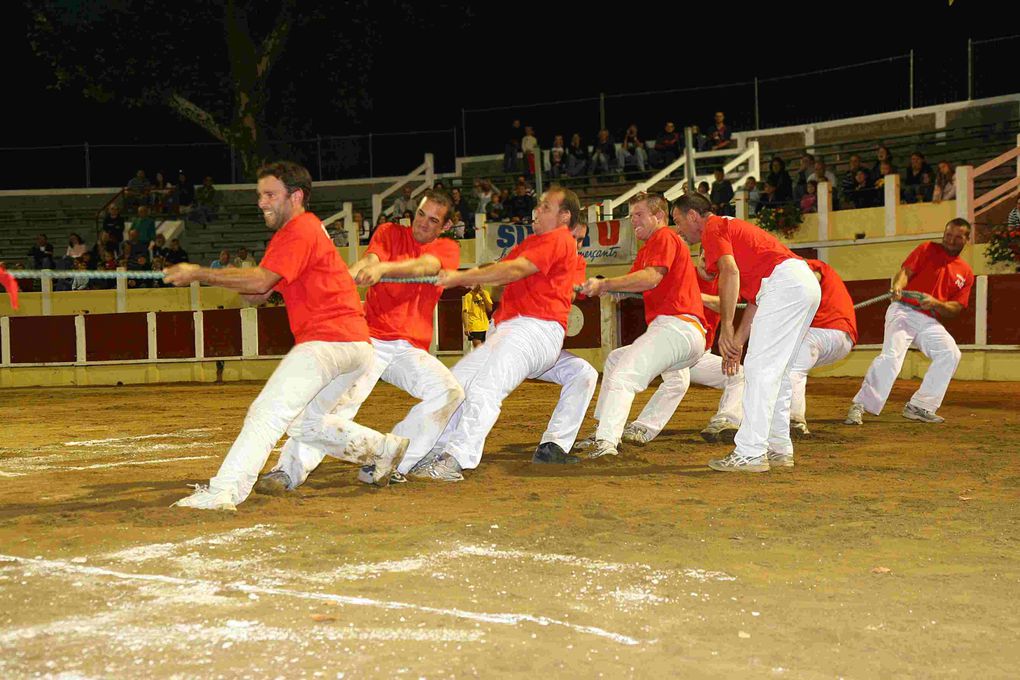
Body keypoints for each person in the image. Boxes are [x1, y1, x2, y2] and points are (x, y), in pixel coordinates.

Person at [164, 160, 407, 510]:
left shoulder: (297, 230)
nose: (261, 202)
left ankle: (225, 492)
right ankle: (382, 449)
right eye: (260, 195)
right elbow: (260, 292)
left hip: (328, 341)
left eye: (269, 194)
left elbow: (261, 282)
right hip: (354, 345)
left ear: (295, 196)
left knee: (267, 412)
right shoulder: (304, 231)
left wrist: (201, 272)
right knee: (305, 425)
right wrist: (250, 284)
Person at [254, 188, 465, 491]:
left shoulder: (448, 249)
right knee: (338, 405)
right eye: (420, 214)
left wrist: (383, 269)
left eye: (433, 220)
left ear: (444, 227)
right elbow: (369, 261)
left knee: (450, 393)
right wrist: (347, 278)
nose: (422, 223)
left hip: (410, 349)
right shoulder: (389, 232)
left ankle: (392, 462)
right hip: (373, 338)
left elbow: (427, 267)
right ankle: (288, 471)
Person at [409, 187, 581, 481]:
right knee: (455, 386)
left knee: (485, 389)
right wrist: (467, 274)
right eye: (539, 205)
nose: (537, 210)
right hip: (512, 328)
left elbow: (514, 270)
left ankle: (456, 459)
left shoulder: (559, 238)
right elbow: (500, 266)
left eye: (546, 207)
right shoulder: (534, 241)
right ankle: (434, 450)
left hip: (535, 328)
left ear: (564, 217)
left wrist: (462, 277)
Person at [672, 192, 820, 472]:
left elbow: (729, 271)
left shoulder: (713, 227)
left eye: (678, 222)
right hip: (801, 284)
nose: (678, 230)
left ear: (693, 216)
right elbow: (755, 300)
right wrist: (737, 342)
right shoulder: (733, 232)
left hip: (786, 285)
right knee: (778, 372)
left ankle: (751, 452)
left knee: (760, 369)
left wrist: (726, 326)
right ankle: (778, 447)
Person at [574, 193, 706, 459]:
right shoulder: (649, 248)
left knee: (624, 375)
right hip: (682, 333)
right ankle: (603, 428)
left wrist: (606, 284)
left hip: (676, 327)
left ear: (658, 216)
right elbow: (633, 284)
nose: (633, 220)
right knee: (615, 360)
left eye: (639, 214)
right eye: (631, 215)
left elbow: (650, 278)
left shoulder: (664, 237)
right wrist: (599, 286)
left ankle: (606, 442)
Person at [845, 219, 973, 426]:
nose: (950, 240)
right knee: (892, 356)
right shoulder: (926, 248)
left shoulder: (966, 272)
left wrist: (935, 303)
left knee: (950, 353)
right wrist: (897, 286)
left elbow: (956, 308)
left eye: (957, 237)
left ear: (967, 239)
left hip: (929, 318)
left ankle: (920, 406)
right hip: (903, 310)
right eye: (948, 235)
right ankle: (861, 405)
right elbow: (905, 272)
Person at [621, 250, 745, 446]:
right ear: (698, 257)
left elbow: (723, 305)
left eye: (715, 263)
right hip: (673, 346)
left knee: (738, 374)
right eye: (706, 260)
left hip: (698, 354)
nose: (710, 266)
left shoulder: (728, 281)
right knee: (678, 381)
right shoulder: (685, 273)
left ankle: (724, 421)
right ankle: (640, 428)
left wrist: (693, 295)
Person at [531, 220, 600, 464]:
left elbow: (570, 290)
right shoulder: (532, 253)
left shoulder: (576, 263)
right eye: (573, 237)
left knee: (583, 373)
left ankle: (553, 445)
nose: (576, 245)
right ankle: (439, 448)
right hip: (511, 342)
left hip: (543, 349)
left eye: (581, 240)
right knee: (475, 391)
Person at [786, 260, 857, 439]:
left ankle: (794, 420)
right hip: (842, 338)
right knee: (789, 367)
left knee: (793, 367)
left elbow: (809, 281)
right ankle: (784, 417)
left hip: (824, 331)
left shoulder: (806, 265)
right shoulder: (820, 268)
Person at [462, 283, 493, 349]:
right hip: (474, 326)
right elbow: (465, 312)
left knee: (487, 350)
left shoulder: (485, 293)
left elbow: (490, 309)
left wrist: (483, 296)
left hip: (486, 326)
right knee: (478, 350)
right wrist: (466, 327)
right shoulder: (468, 296)